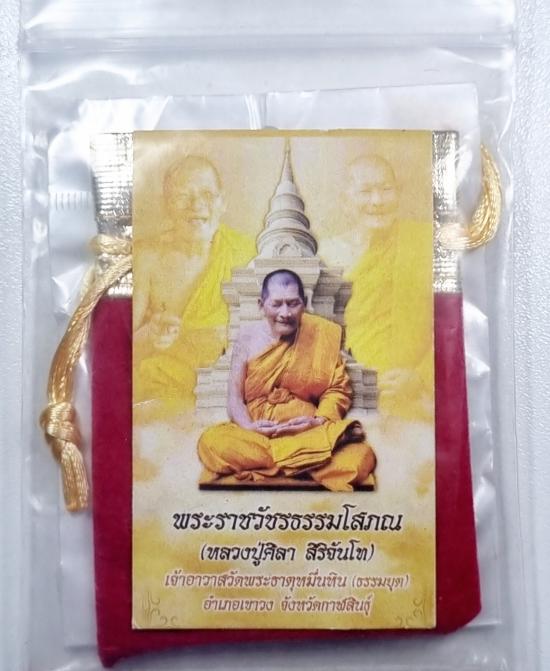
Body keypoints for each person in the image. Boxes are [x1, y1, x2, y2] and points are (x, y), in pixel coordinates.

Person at [198, 269, 376, 492]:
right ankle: (308, 460)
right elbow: (234, 398)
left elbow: (336, 389)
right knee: (212, 442)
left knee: (361, 458)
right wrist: (249, 427)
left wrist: (318, 422)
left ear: (304, 303)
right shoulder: (246, 338)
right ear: (261, 305)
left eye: (293, 303)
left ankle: (289, 460)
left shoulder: (320, 334)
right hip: (258, 435)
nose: (285, 313)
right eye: (276, 304)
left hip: (305, 431)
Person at [133, 155, 255, 408]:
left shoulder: (248, 255)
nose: (196, 205)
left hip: (232, 388)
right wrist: (151, 335)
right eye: (182, 196)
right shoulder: (146, 258)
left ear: (222, 202)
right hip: (165, 389)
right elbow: (116, 349)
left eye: (207, 195)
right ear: (167, 204)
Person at [342, 154, 434, 422]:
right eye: (365, 191)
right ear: (345, 201)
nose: (377, 201)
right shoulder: (327, 254)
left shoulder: (424, 243)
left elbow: (454, 322)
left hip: (416, 401)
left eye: (386, 189)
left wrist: (420, 376)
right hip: (347, 400)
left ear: (399, 194)